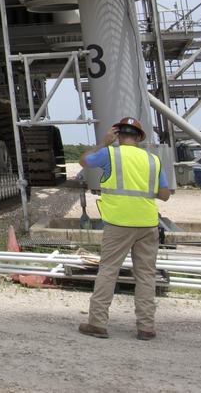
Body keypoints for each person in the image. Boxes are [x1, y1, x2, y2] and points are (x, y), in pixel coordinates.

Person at [77, 116, 172, 341]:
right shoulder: (153, 160)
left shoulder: (110, 154)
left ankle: (98, 324)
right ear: (139, 138)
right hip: (147, 224)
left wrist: (103, 142)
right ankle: (146, 328)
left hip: (118, 223)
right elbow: (165, 195)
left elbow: (84, 161)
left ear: (118, 134)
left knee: (109, 271)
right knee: (146, 276)